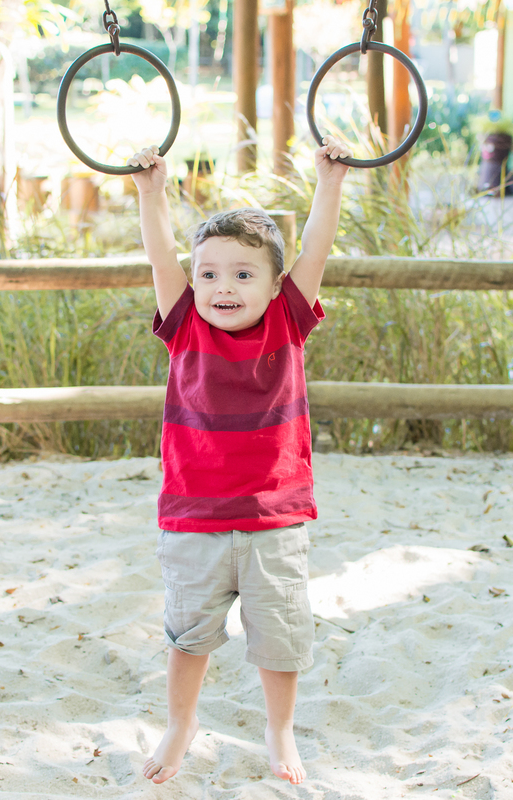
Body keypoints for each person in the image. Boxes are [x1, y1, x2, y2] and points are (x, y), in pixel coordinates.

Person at [127, 137, 352, 785]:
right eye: (210, 273)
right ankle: (181, 724)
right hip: (194, 519)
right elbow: (158, 252)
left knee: (278, 638)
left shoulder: (287, 321)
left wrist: (329, 184)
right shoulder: (183, 323)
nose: (224, 287)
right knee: (187, 636)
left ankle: (279, 731)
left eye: (243, 274)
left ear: (275, 284)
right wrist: (150, 191)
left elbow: (316, 248)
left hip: (274, 518)